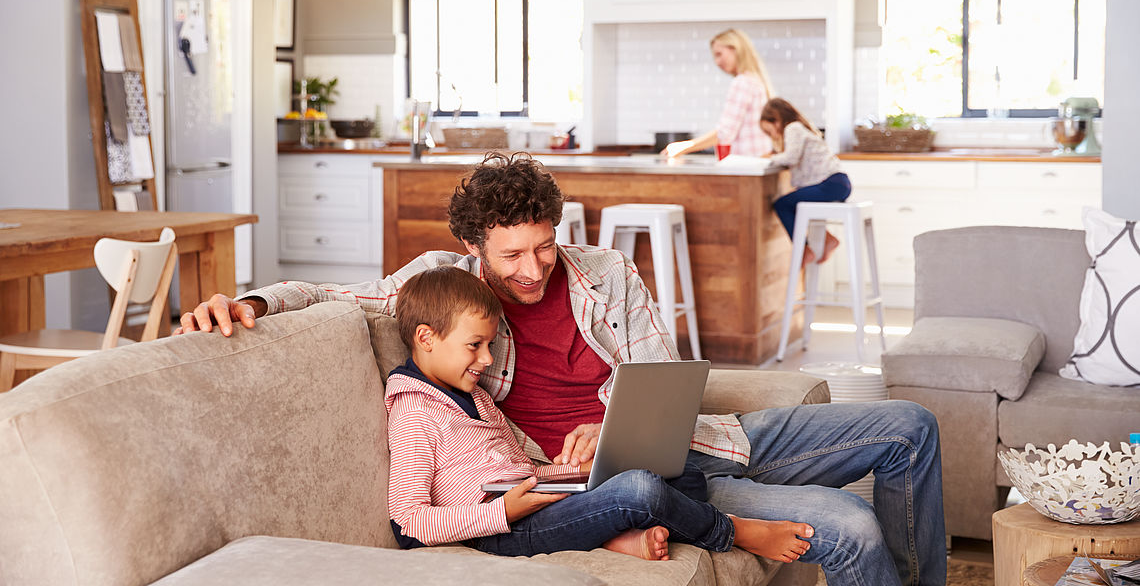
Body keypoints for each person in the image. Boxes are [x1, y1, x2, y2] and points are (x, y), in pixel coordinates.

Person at [177, 152, 946, 586]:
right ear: (476, 246)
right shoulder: (444, 288)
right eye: (512, 253)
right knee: (847, 526)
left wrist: (605, 420)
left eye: (544, 244)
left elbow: (661, 379)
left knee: (911, 427)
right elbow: (331, 290)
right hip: (602, 483)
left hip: (702, 440)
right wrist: (249, 300)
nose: (534, 266)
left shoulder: (606, 272)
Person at [386, 264, 813, 562]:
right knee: (640, 491)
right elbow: (408, 523)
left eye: (490, 345)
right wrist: (502, 513)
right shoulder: (414, 411)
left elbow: (518, 470)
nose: (485, 358)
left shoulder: (475, 396)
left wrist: (581, 473)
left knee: (681, 474)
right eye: (474, 345)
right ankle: (735, 531)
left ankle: (611, 537)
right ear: (426, 338)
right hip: (499, 532)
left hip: (533, 504)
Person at [760, 97, 852, 265]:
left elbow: (791, 157)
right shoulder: (800, 129)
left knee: (782, 204)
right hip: (837, 183)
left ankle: (803, 249)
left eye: (769, 131)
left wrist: (770, 158)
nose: (772, 136)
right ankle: (828, 239)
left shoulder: (792, 128)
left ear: (776, 120)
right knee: (798, 201)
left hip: (831, 183)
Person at [663, 29, 775, 159]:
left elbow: (724, 133)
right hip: (759, 161)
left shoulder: (742, 82)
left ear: (735, 49)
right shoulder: (756, 80)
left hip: (746, 164)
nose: (717, 62)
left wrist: (684, 146)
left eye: (719, 54)